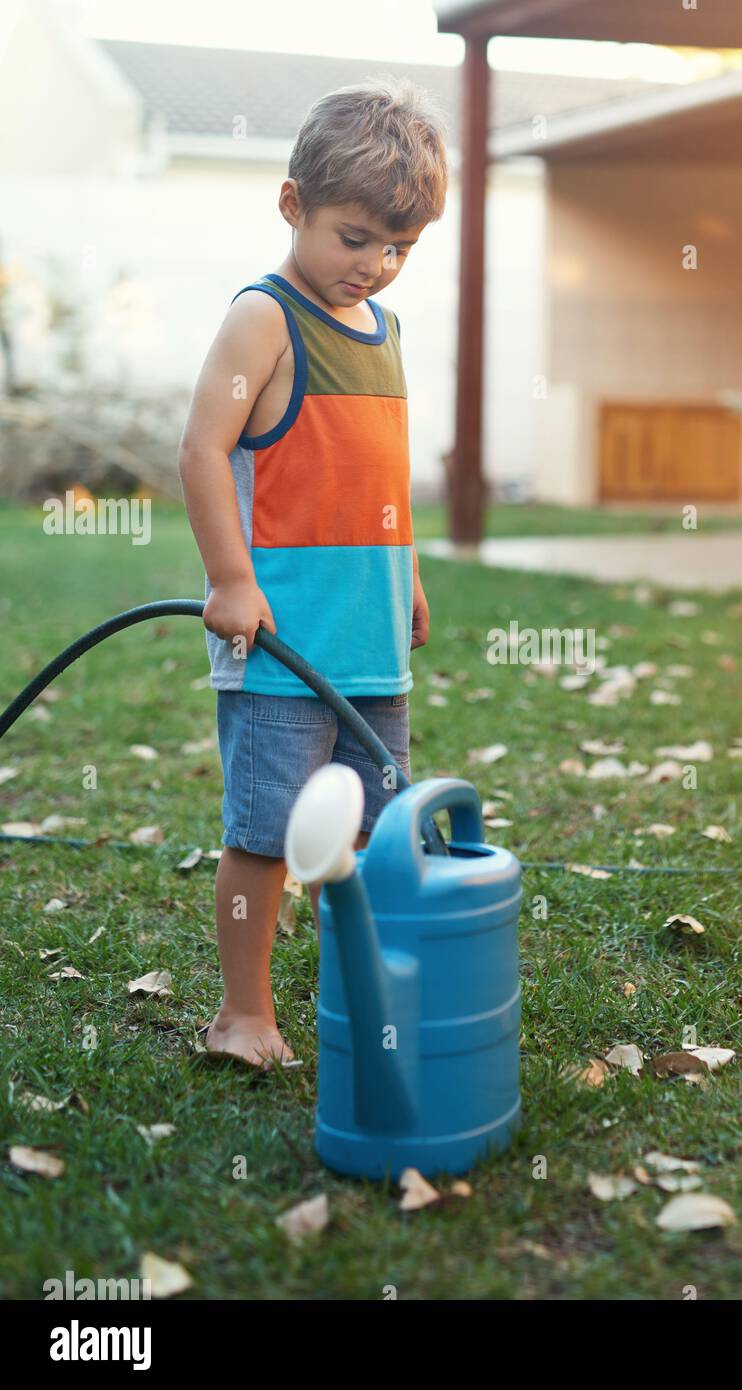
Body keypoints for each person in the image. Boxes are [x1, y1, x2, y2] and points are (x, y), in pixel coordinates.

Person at [177, 78, 448, 1067]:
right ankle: (243, 1013)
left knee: (372, 845)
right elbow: (204, 450)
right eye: (354, 237)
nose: (375, 266)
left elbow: (381, 475)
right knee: (267, 833)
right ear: (293, 206)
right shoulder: (266, 318)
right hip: (283, 645)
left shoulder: (389, 333)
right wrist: (230, 578)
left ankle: (359, 1002)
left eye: (399, 248)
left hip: (371, 649)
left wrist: (408, 574)